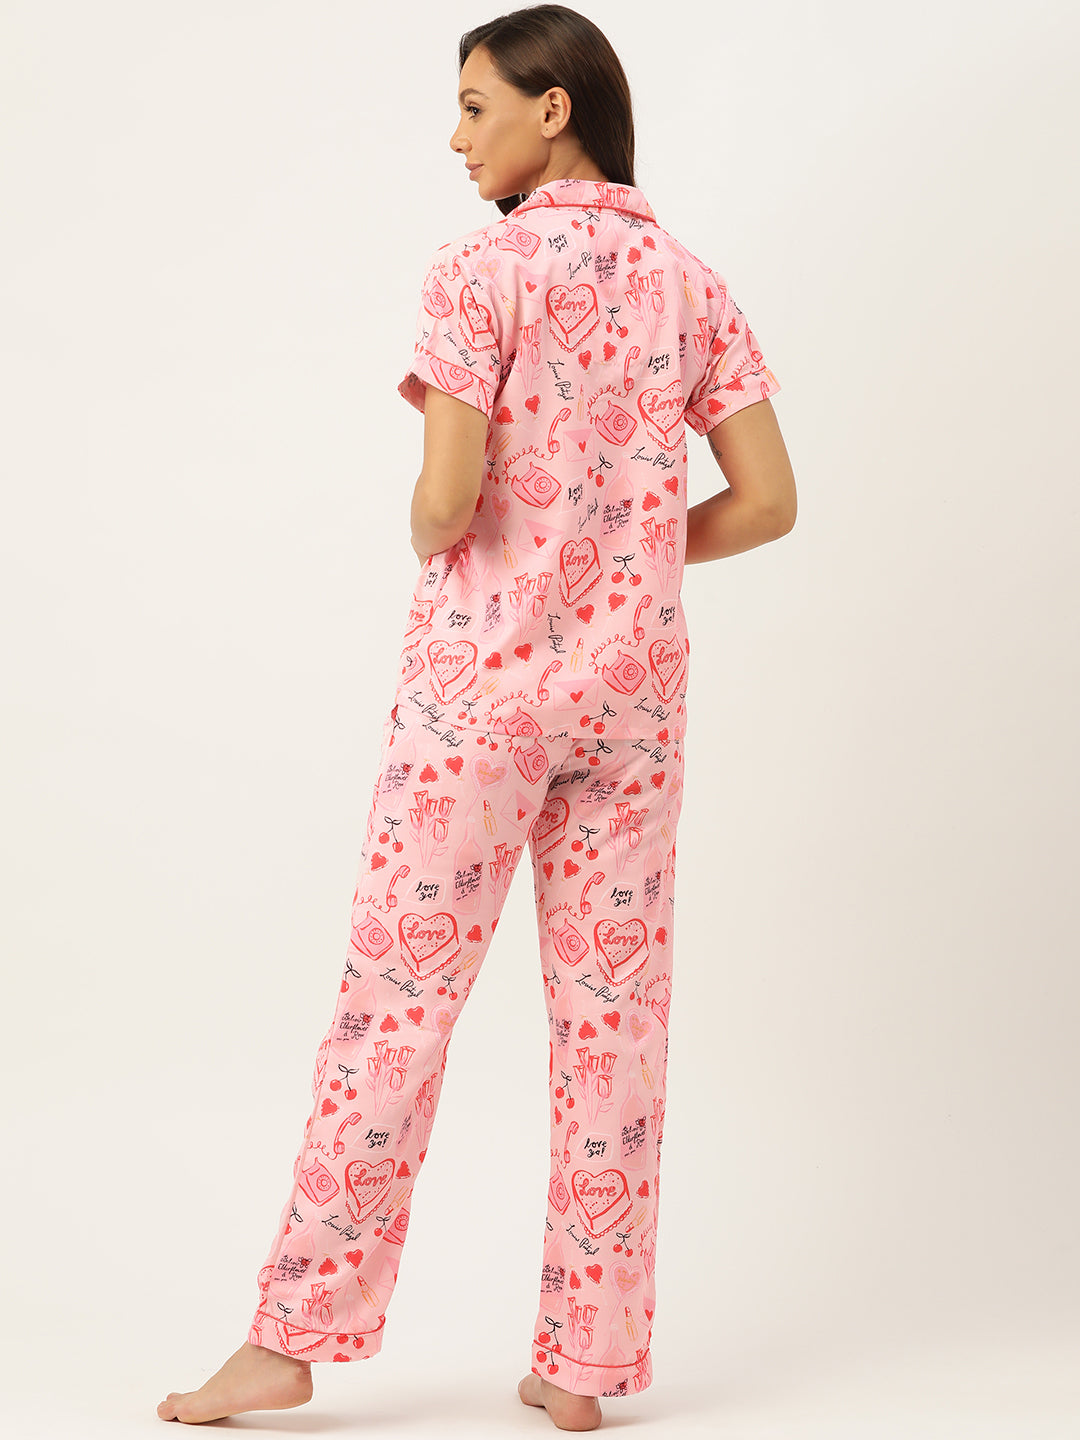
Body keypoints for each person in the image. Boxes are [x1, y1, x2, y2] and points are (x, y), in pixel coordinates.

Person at [156, 4, 796, 1431]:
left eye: (474, 106)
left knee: (396, 1009)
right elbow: (769, 500)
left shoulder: (478, 270)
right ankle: (588, 1363)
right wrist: (633, 550)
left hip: (481, 698)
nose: (456, 138)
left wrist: (428, 527)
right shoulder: (692, 284)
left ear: (552, 109)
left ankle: (290, 1340)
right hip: (632, 703)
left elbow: (448, 501)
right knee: (616, 1023)